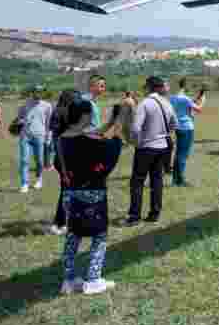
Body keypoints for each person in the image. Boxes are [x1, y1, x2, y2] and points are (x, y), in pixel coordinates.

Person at [58, 99, 124, 295]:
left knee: (72, 237)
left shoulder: (63, 137)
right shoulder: (86, 141)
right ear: (85, 116)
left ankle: (69, 280)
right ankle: (94, 279)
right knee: (99, 237)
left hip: (70, 194)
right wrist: (119, 124)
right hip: (92, 195)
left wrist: (112, 120)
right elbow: (110, 150)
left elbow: (93, 134)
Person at [126, 76, 178, 226]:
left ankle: (135, 215)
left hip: (146, 147)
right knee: (157, 180)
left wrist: (137, 141)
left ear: (148, 87)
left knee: (137, 182)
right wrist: (164, 134)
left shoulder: (145, 103)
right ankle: (154, 213)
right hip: (162, 147)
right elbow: (174, 123)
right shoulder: (166, 102)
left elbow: (136, 128)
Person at [49, 89, 83, 235]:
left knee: (72, 190)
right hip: (65, 159)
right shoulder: (60, 113)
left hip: (73, 157)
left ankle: (65, 221)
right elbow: (57, 139)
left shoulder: (71, 113)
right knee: (68, 190)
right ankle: (59, 223)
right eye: (77, 100)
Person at [15, 85, 53, 193]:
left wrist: (48, 137)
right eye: (36, 92)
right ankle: (24, 184)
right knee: (24, 160)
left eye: (40, 92)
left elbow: (49, 123)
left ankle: (39, 180)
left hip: (40, 136)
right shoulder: (25, 105)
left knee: (40, 161)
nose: (39, 94)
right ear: (32, 92)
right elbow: (19, 119)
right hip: (25, 136)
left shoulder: (47, 106)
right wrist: (21, 121)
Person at [169, 78, 204, 187]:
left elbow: (185, 107)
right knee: (183, 155)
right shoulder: (186, 99)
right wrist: (202, 101)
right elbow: (198, 109)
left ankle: (175, 179)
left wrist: (194, 100)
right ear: (185, 86)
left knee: (178, 154)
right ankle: (180, 180)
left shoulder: (173, 98)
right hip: (187, 128)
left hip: (178, 127)